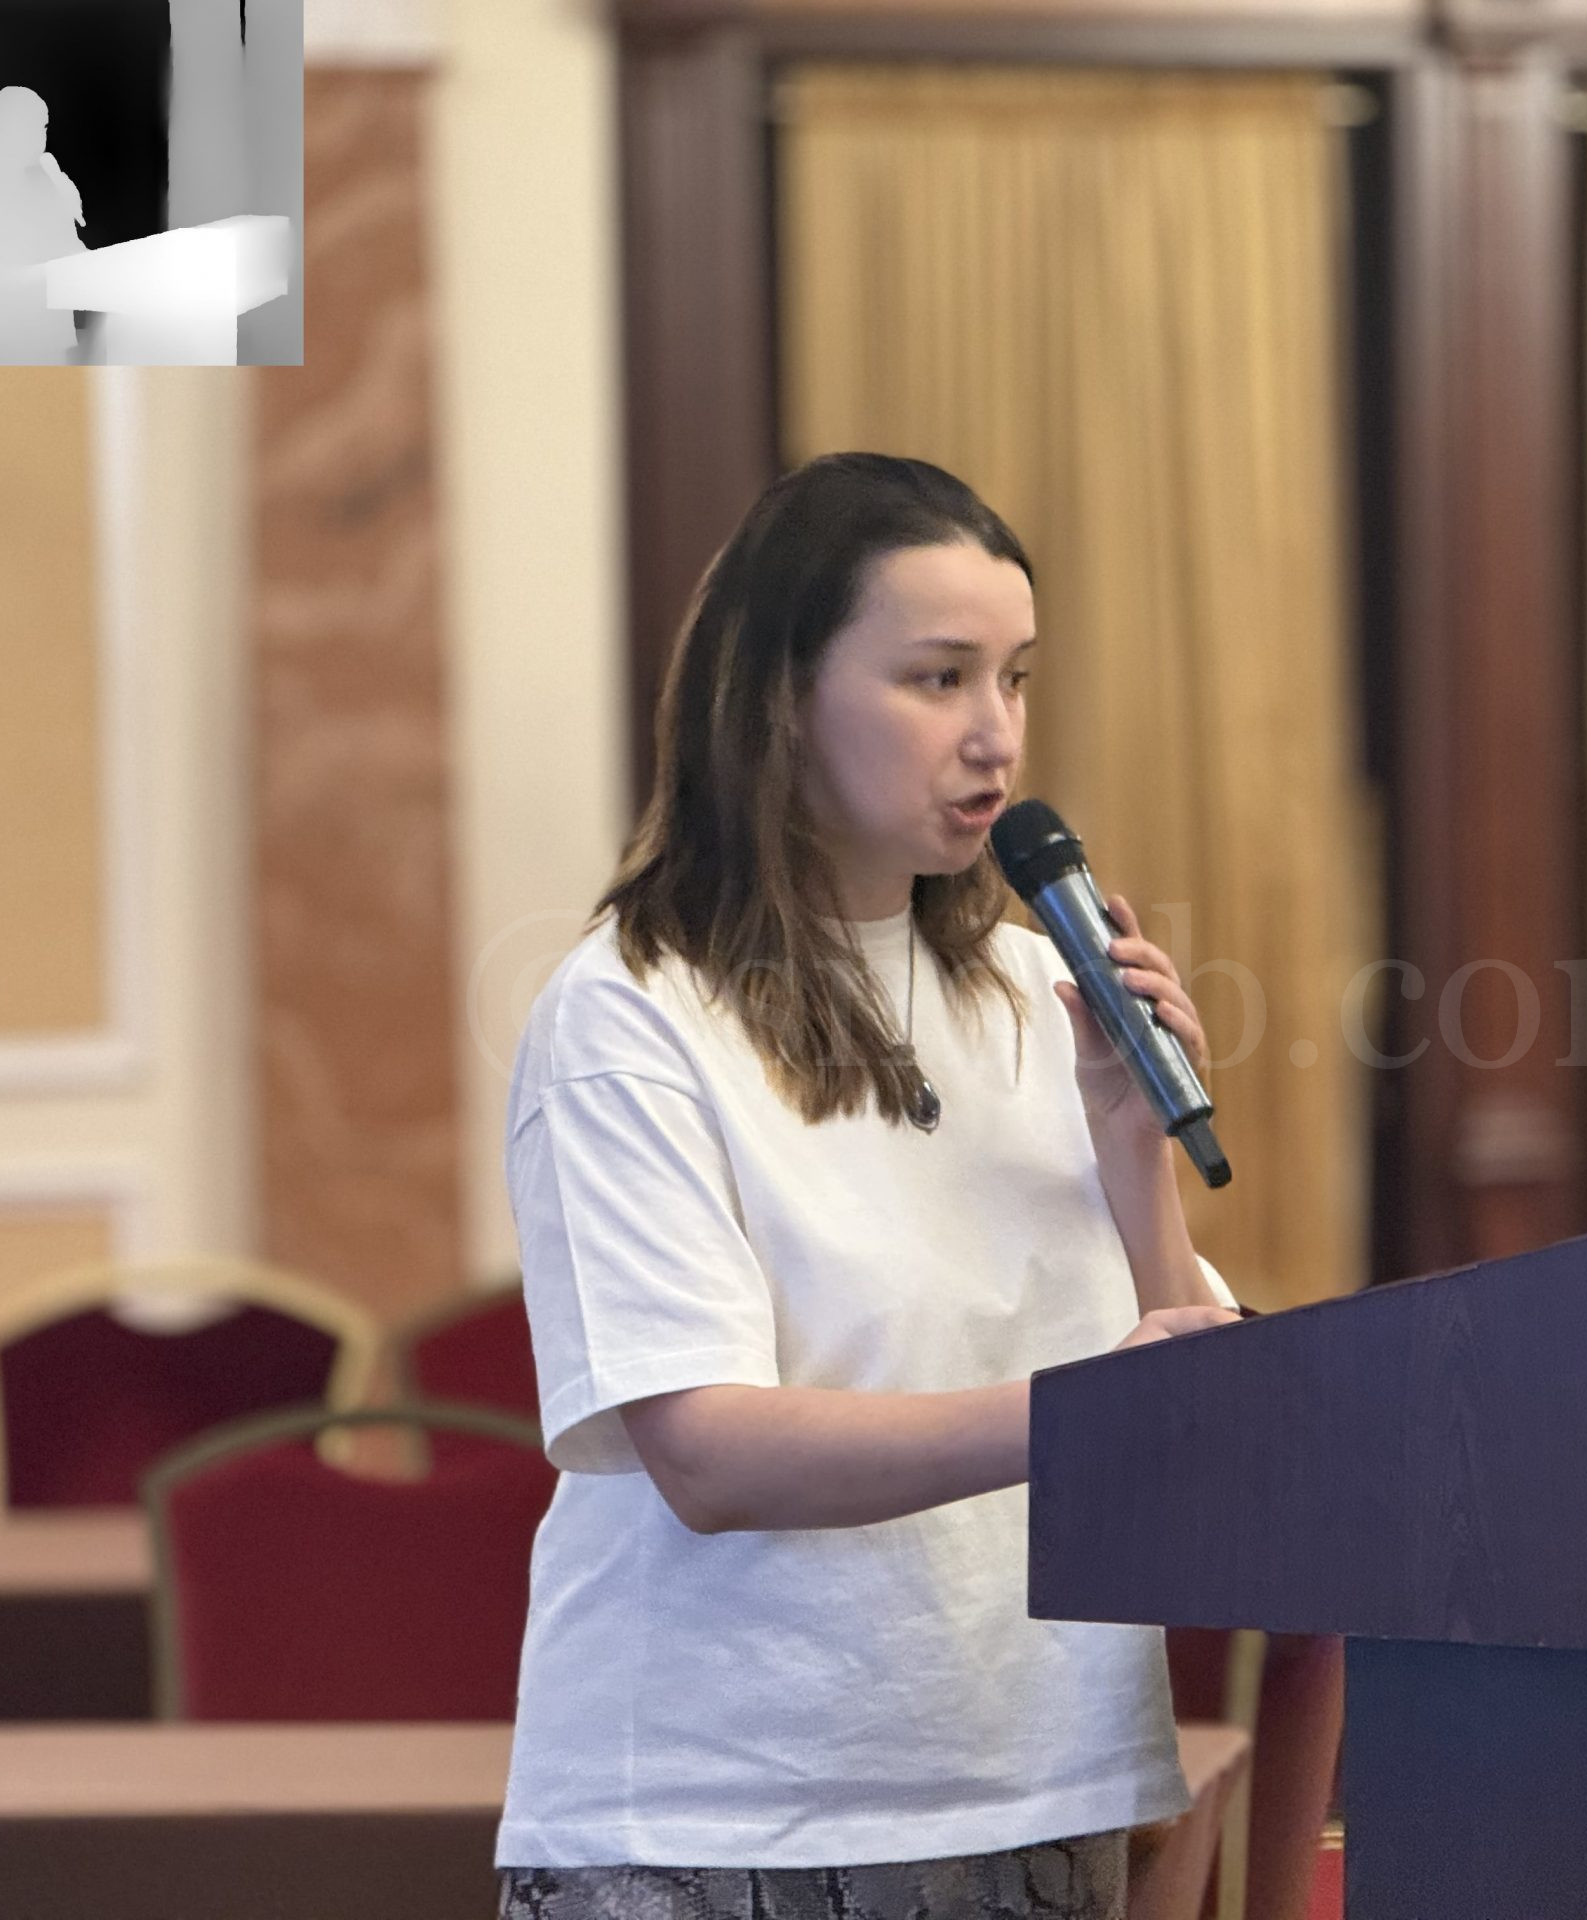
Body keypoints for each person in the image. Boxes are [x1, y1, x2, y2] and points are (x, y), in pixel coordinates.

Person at [494, 452, 1244, 1920]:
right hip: (724, 1815)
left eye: (1015, 679)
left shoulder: (1044, 990)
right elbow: (709, 1454)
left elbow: (1179, 1406)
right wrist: (1078, 1412)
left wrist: (1131, 1150)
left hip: (1039, 1784)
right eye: (937, 678)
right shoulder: (634, 1012)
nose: (994, 736)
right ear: (781, 697)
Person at [0, 86, 86, 364]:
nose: (40, 140)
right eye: (30, 128)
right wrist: (54, 272)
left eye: (43, 128)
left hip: (48, 344)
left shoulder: (45, 181)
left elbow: (68, 248)